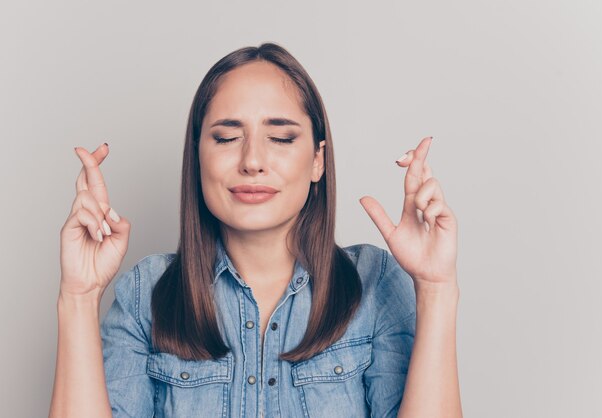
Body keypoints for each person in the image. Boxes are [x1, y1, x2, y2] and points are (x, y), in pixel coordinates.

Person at [49, 43, 462, 418]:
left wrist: (435, 287)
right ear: (197, 156)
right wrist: (79, 296)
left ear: (318, 160)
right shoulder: (145, 293)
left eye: (280, 137)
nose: (252, 160)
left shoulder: (375, 284)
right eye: (227, 138)